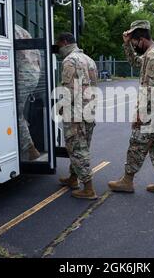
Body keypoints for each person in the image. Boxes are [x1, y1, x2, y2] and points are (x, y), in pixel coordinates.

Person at [108, 20, 154, 194]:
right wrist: (127, 45)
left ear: (142, 38)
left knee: (137, 142)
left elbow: (150, 88)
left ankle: (127, 181)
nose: (135, 45)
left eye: (135, 42)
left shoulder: (153, 56)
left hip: (151, 108)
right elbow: (135, 63)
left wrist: (140, 113)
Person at [57, 33, 99, 200]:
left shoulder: (69, 60)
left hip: (75, 111)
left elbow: (69, 89)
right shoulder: (89, 59)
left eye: (58, 45)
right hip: (89, 108)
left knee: (76, 147)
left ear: (65, 42)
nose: (58, 49)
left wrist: (61, 106)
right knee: (83, 145)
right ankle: (73, 178)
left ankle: (88, 188)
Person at [15, 24, 41, 161]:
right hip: (32, 74)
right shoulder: (22, 30)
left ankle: (31, 149)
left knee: (15, 114)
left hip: (22, 76)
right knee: (20, 112)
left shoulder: (9, 28)